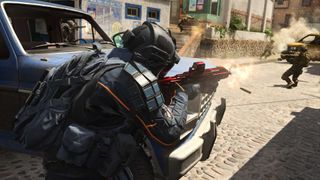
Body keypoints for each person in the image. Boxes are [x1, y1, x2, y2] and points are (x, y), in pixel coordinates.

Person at [44, 22, 195, 179]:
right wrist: (183, 95)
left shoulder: (105, 60)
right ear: (152, 58)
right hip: (76, 168)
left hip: (64, 152)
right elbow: (169, 132)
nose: (161, 72)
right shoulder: (129, 79)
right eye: (162, 66)